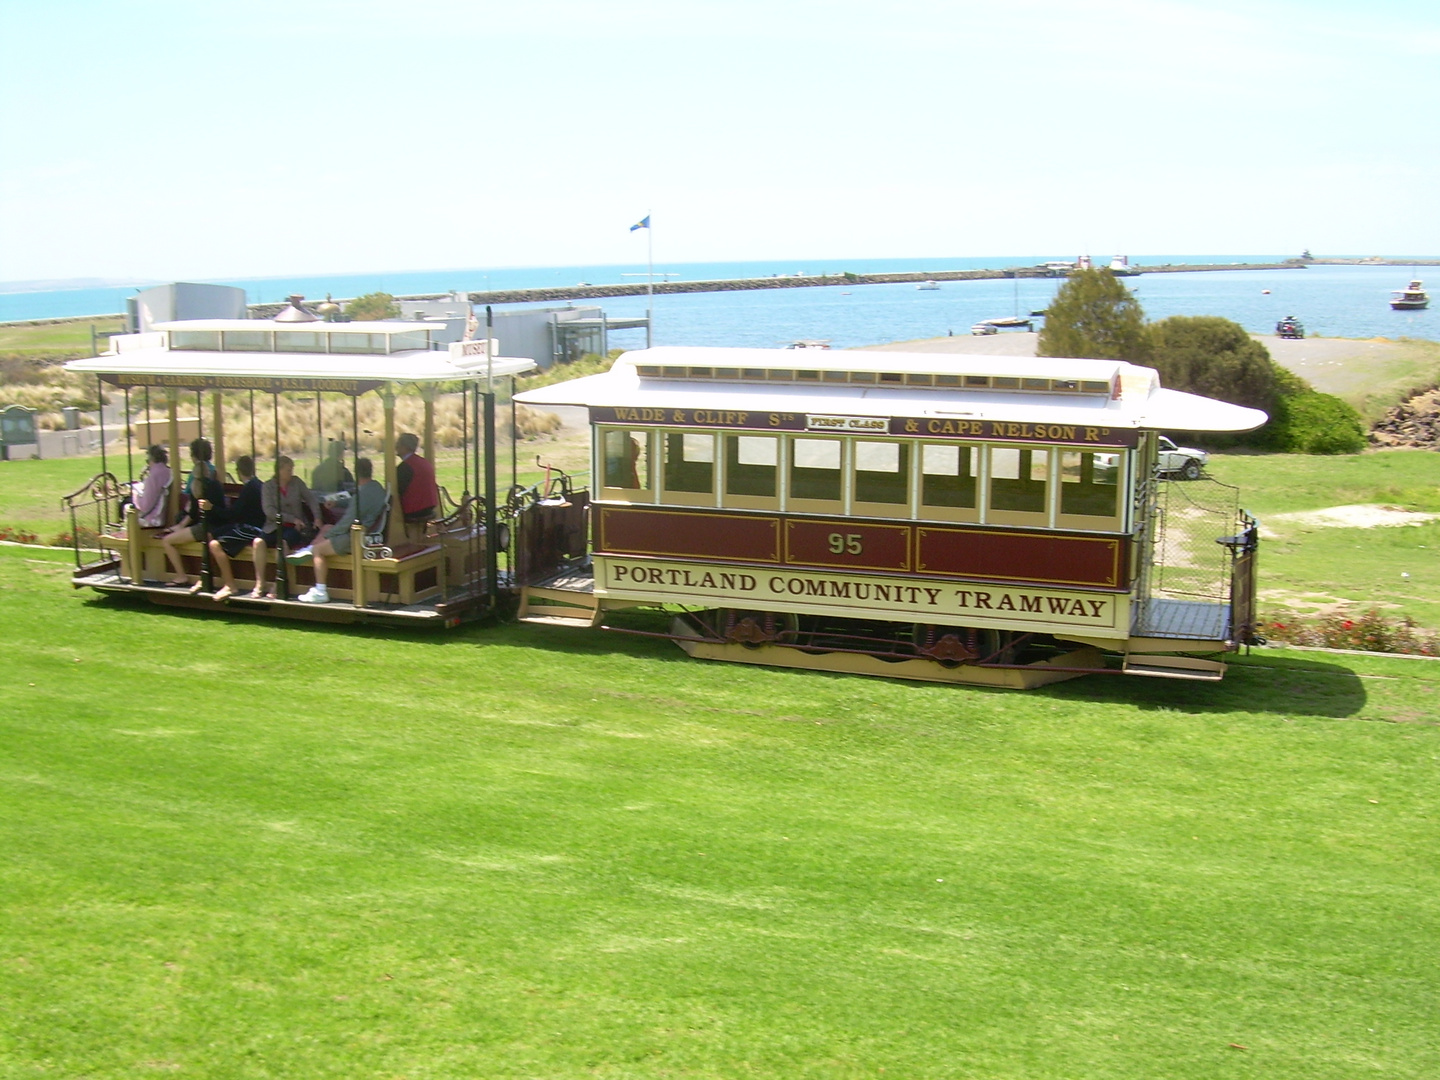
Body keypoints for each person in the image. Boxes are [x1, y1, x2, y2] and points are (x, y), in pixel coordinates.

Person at [296, 457, 386, 604]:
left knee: (319, 550)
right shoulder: (375, 487)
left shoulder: (362, 495)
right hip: (365, 531)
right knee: (326, 527)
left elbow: (346, 523)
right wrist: (338, 502)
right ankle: (308, 549)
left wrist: (329, 537)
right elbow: (358, 502)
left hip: (358, 537)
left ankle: (320, 590)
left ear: (356, 474)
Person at [158, 438, 226, 588]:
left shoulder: (198, 486)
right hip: (216, 523)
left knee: (167, 541)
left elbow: (192, 511)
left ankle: (181, 575)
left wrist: (179, 526)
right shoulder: (216, 480)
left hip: (204, 525)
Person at [251, 455, 321, 599]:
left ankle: (279, 582)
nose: (291, 472)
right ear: (279, 470)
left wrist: (317, 517)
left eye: (291, 469)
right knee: (258, 543)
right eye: (288, 470)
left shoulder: (296, 483)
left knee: (282, 544)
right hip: (273, 526)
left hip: (294, 528)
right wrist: (290, 518)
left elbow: (311, 499)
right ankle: (260, 583)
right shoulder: (268, 486)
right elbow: (269, 511)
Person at [206, 455, 265, 601]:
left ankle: (229, 585)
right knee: (211, 534)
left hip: (253, 529)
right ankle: (213, 575)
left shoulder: (249, 488)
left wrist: (211, 507)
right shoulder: (257, 484)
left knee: (214, 545)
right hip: (247, 526)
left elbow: (232, 514)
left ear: (238, 471)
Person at [395, 432, 438, 544]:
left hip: (415, 509)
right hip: (429, 506)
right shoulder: (424, 462)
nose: (396, 448)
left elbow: (397, 490)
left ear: (405, 447)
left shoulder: (404, 467)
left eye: (398, 445)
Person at [132, 445, 172, 528]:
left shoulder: (154, 476)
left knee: (126, 505)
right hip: (164, 513)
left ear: (152, 460)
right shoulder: (168, 472)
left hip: (153, 517)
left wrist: (135, 494)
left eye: (147, 461)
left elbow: (145, 506)